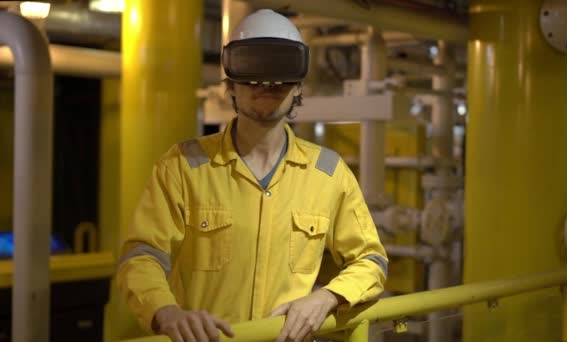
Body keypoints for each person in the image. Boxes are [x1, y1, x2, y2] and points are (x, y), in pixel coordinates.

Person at [116, 9, 387, 342]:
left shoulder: (328, 174)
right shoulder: (183, 166)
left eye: (280, 75)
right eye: (252, 74)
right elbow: (142, 256)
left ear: (299, 85)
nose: (267, 85)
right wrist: (166, 312)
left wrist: (326, 297)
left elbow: (371, 260)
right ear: (230, 83)